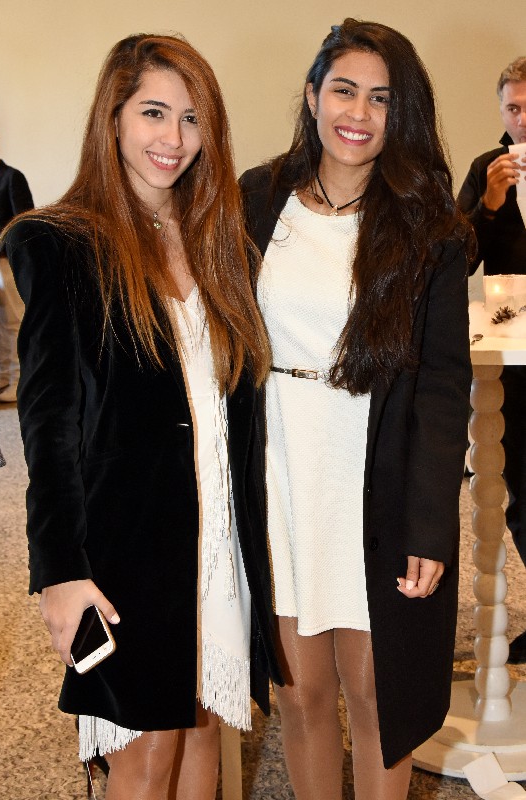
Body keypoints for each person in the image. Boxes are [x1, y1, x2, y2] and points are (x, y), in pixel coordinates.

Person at [0, 34, 282, 800]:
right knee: (147, 755)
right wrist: (60, 573)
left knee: (203, 734)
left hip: (215, 538)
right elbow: (48, 425)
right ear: (114, 117)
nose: (174, 139)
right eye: (154, 112)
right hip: (128, 545)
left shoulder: (221, 245)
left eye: (192, 119)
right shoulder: (58, 243)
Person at [240, 18, 472, 800]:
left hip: (374, 479)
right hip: (278, 474)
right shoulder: (255, 198)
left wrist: (430, 523)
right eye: (344, 90)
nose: (359, 113)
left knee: (378, 697)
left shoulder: (428, 226)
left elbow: (442, 386)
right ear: (312, 96)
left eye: (381, 98)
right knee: (300, 694)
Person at [457, 57, 526, 665]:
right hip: (514, 341)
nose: (523, 119)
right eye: (514, 108)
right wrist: (491, 202)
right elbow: (457, 255)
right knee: (520, 478)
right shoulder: (487, 167)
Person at [0, 136, 34, 403]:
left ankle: (19, 381)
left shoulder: (12, 177)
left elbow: (25, 221)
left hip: (6, 261)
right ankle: (2, 376)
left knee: (13, 323)